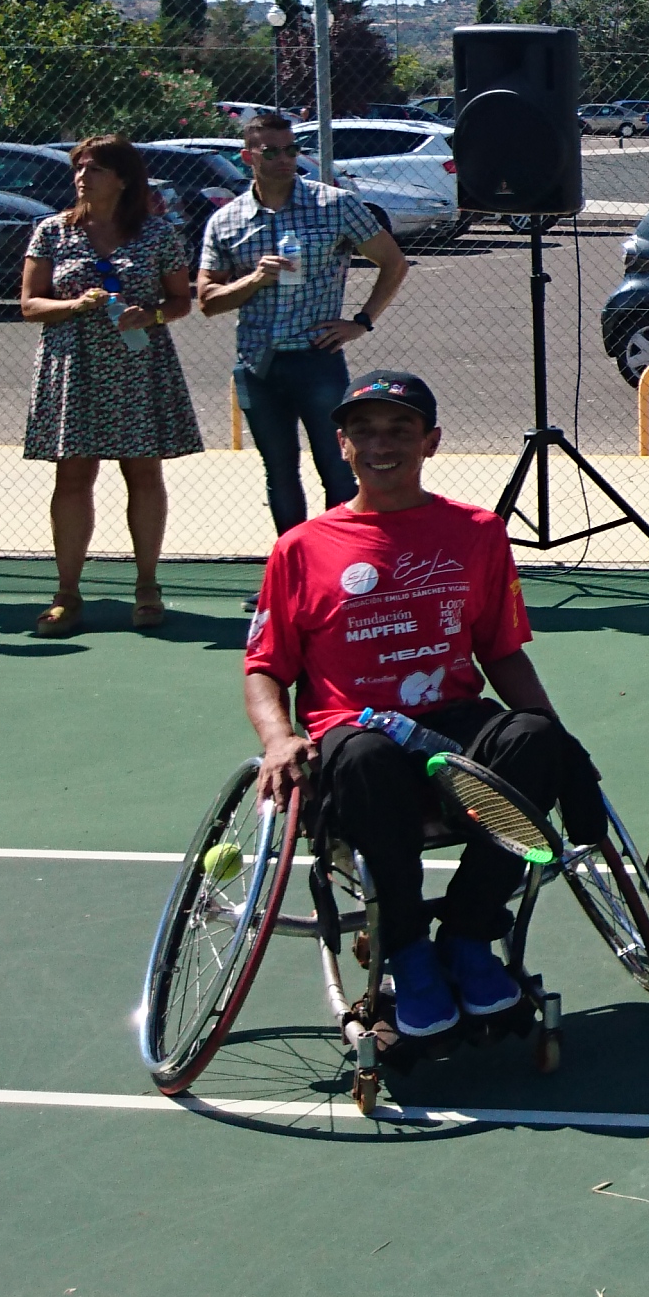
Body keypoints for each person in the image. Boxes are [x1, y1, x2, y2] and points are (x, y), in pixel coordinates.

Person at [241, 370, 610, 1046]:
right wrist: (276, 738)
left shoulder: (475, 532)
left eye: (400, 430)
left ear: (430, 442)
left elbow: (501, 653)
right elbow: (265, 666)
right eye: (365, 431)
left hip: (452, 726)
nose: (383, 444)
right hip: (356, 736)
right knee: (366, 755)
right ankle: (407, 953)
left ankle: (468, 937)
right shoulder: (301, 549)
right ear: (342, 444)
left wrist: (561, 741)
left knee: (531, 740)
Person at [19, 136, 205, 638]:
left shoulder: (159, 234)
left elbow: (181, 302)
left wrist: (154, 314)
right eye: (79, 168)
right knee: (73, 478)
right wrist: (74, 307)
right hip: (74, 369)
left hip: (138, 369)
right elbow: (30, 304)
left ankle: (147, 586)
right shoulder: (51, 232)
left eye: (96, 169)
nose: (83, 177)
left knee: (142, 474)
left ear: (123, 179)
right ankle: (67, 593)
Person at [198, 109, 412, 534]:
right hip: (258, 363)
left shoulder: (334, 205)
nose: (283, 159)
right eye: (271, 152)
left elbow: (393, 262)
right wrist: (255, 279)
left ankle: (348, 572)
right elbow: (207, 300)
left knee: (337, 468)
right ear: (248, 157)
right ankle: (291, 574)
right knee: (279, 473)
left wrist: (361, 322)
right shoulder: (227, 220)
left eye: (291, 150)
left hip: (318, 359)